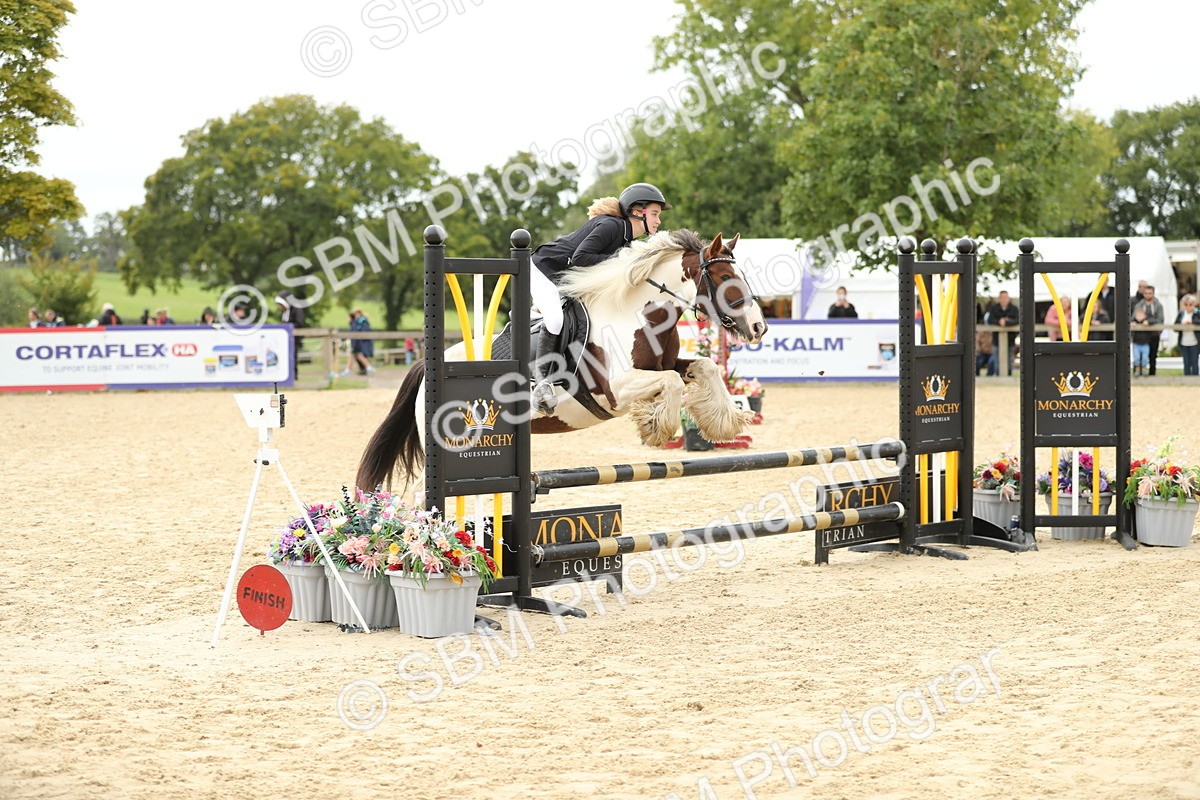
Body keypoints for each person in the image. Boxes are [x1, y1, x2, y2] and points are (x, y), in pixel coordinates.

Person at [529, 182, 669, 413]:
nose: (658, 220)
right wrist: (623, 263)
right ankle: (542, 382)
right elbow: (580, 258)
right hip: (543, 269)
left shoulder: (627, 240)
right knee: (555, 319)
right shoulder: (611, 226)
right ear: (637, 212)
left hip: (566, 277)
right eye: (654, 214)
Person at [1132, 284, 1164, 375]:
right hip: (1141, 335)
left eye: (1150, 293)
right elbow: (1133, 317)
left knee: (1152, 356)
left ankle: (1152, 374)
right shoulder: (1139, 305)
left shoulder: (1158, 305)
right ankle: (1138, 374)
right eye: (1146, 293)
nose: (1148, 295)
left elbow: (1160, 320)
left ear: (1153, 294)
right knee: (1138, 356)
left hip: (1154, 334)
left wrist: (1149, 322)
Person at [985, 291, 1019, 375]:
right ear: (999, 299)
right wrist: (999, 322)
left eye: (1005, 297)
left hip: (1010, 339)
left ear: (1008, 298)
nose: (1004, 300)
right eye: (1002, 298)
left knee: (1010, 360)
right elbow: (990, 320)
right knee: (997, 360)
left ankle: (1009, 376)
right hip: (996, 339)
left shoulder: (1014, 308)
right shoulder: (994, 308)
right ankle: (998, 377)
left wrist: (1006, 322)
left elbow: (1018, 320)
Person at [275, 290, 306, 380]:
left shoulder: (296, 309)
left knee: (293, 357)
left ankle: (294, 377)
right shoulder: (286, 312)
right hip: (286, 339)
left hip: (294, 339)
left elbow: (299, 323)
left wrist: (287, 327)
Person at [342, 308, 375, 376]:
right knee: (355, 356)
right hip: (357, 342)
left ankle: (348, 370)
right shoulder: (357, 322)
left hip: (358, 343)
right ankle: (348, 370)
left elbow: (356, 333)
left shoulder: (359, 322)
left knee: (357, 355)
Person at [1175, 294, 1200, 376]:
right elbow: (1175, 327)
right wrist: (1182, 325)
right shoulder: (1181, 314)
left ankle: (1195, 381)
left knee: (1194, 363)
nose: (1188, 306)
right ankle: (1186, 382)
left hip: (1195, 342)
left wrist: (1192, 323)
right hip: (1184, 342)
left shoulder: (1197, 313)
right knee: (1186, 363)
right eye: (1186, 304)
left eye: (1190, 304)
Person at [1131, 307, 1152, 376]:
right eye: (1138, 315)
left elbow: (1154, 322)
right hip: (1136, 344)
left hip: (1145, 344)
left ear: (1145, 316)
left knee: (1145, 358)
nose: (1139, 317)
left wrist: (1148, 323)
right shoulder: (1133, 323)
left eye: (1141, 315)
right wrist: (1132, 325)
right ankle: (1137, 370)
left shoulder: (1147, 322)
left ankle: (1144, 370)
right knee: (1136, 358)